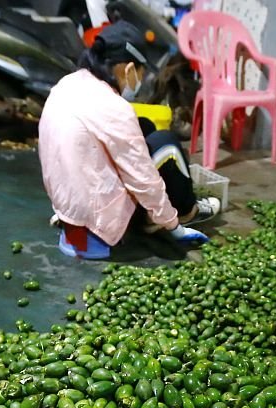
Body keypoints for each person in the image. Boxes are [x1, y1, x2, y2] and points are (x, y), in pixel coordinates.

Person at [37, 20, 219, 249]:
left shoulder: (67, 85)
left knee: (144, 127)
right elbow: (142, 178)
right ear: (129, 69)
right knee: (168, 143)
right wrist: (174, 227)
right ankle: (186, 211)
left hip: (68, 207)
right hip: (100, 221)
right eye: (140, 73)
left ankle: (142, 215)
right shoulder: (113, 108)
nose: (139, 81)